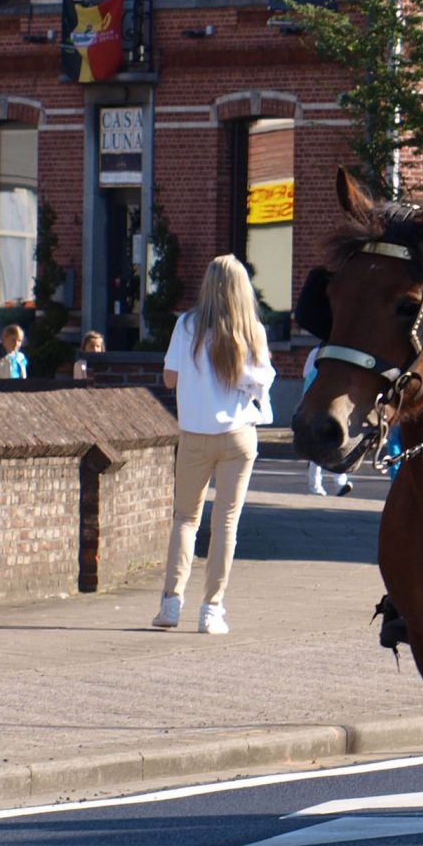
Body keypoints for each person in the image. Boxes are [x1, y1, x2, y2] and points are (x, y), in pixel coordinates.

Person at [157, 254, 276, 635]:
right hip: (238, 435)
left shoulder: (186, 325)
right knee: (226, 523)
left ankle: (171, 602)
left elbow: (170, 379)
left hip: (194, 434)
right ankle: (211, 609)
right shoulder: (252, 330)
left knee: (185, 519)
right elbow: (262, 380)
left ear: (207, 286)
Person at [302, 346, 356, 497]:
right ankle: (316, 485)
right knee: (318, 447)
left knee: (337, 443)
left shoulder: (320, 352)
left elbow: (305, 373)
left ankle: (339, 483)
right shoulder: (318, 353)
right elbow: (307, 374)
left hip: (331, 406)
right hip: (318, 407)